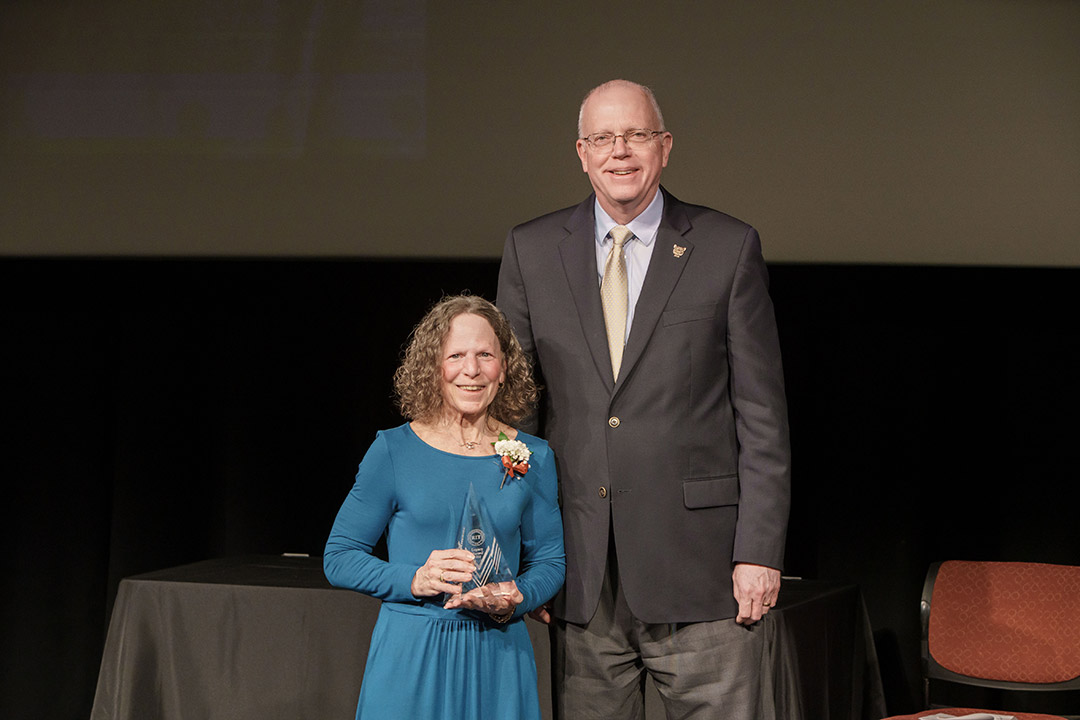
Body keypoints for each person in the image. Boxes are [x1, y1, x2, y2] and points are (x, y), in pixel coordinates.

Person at [496, 79, 791, 719]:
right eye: (603, 138)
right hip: (580, 577)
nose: (619, 152)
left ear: (664, 147)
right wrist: (524, 547)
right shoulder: (531, 251)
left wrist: (758, 551)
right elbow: (513, 422)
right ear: (581, 152)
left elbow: (762, 417)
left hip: (705, 574)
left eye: (636, 135)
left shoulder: (726, 246)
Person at [324, 294, 565, 720]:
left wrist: (518, 596)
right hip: (412, 653)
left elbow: (549, 561)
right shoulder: (393, 451)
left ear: (504, 367)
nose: (471, 370)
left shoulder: (534, 455)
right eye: (456, 355)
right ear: (434, 368)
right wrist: (415, 578)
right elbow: (339, 557)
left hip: (499, 656)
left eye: (485, 355)